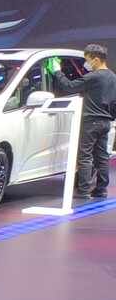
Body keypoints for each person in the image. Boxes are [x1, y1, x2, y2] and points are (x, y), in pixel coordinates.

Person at [51, 44, 116, 199]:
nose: (86, 64)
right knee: (102, 157)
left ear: (96, 59)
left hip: (91, 121)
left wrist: (57, 71)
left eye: (87, 60)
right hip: (105, 122)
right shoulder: (113, 77)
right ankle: (101, 189)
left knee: (85, 156)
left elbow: (69, 86)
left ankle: (84, 190)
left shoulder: (94, 77)